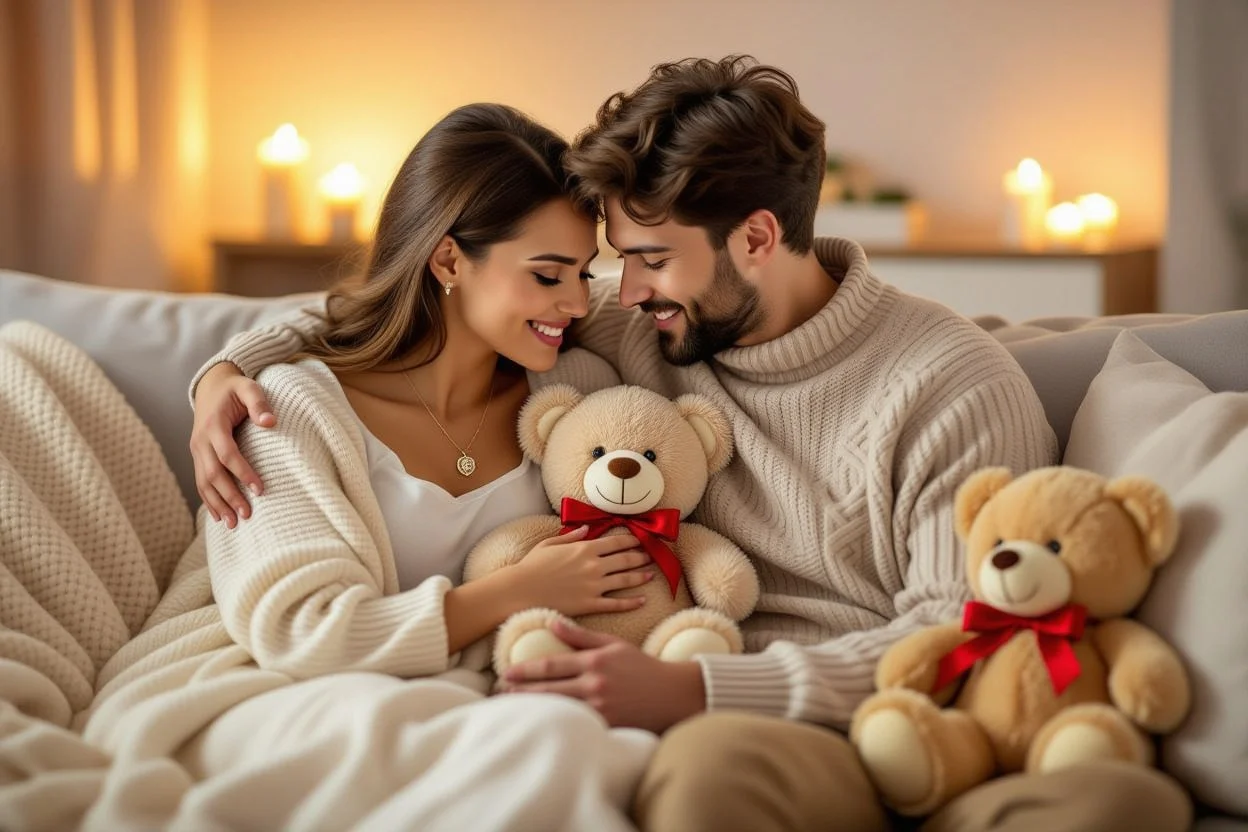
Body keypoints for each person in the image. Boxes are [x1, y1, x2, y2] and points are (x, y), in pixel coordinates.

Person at [191, 58, 1192, 831]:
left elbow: (961, 629)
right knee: (709, 780)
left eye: (648, 261)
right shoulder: (642, 328)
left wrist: (696, 685)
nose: (616, 293)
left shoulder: (947, 382)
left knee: (1124, 803)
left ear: (758, 238)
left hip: (900, 708)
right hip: (755, 736)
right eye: (614, 262)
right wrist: (223, 376)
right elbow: (404, 311)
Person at [0, 102, 658, 832]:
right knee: (532, 747)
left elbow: (715, 303)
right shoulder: (289, 407)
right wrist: (523, 589)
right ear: (447, 261)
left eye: (584, 272)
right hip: (261, 685)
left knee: (567, 745)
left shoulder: (576, 400)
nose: (574, 301)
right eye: (547, 275)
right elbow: (296, 630)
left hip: (468, 693)